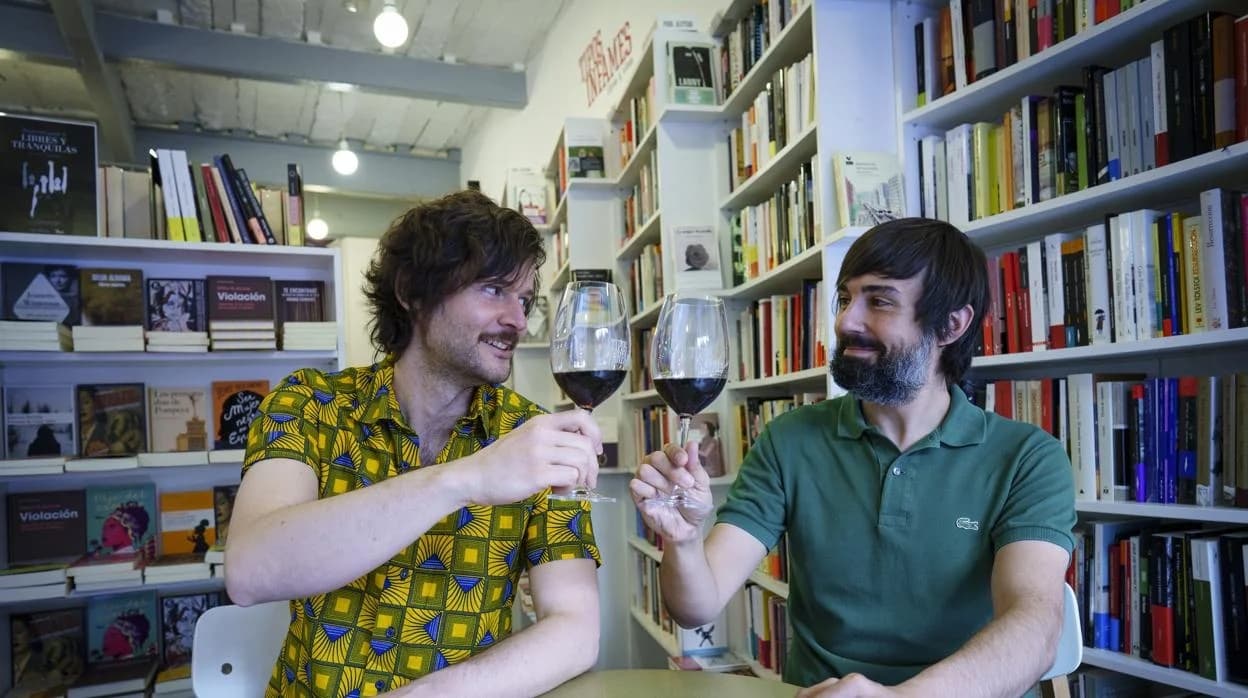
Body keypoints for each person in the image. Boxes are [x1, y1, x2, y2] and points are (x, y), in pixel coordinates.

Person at [630, 218, 1076, 697]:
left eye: (879, 301)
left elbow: (1034, 626)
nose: (845, 321)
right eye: (845, 298)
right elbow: (696, 606)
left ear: (952, 324)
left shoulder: (1028, 457)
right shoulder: (790, 440)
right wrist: (684, 539)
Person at [226, 190, 604, 697]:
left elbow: (576, 632)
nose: (518, 320)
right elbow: (250, 569)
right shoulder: (310, 404)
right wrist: (467, 478)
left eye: (526, 301)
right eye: (494, 290)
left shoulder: (533, 438)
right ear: (413, 291)